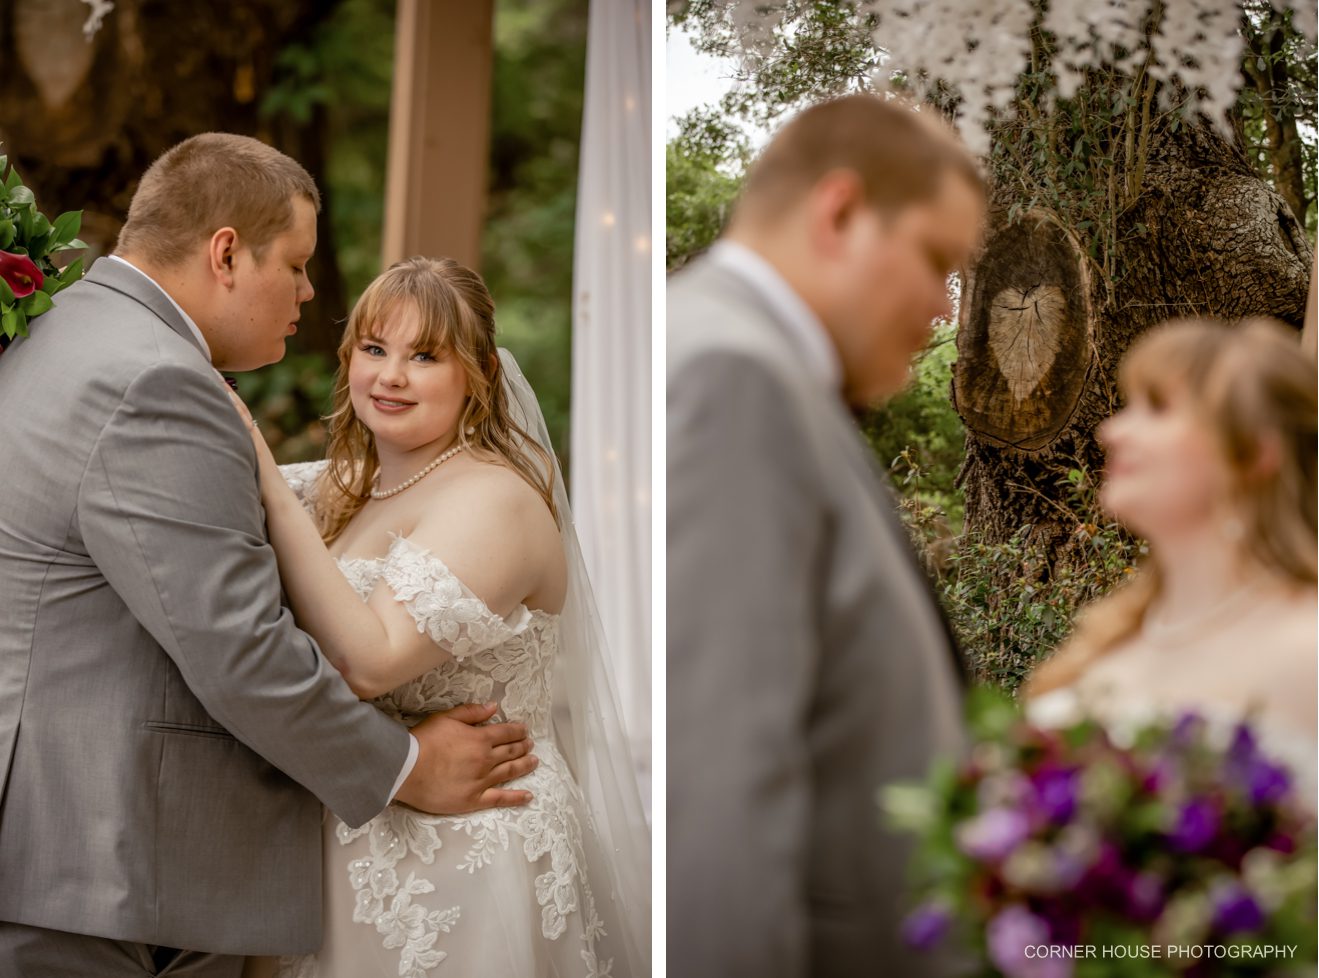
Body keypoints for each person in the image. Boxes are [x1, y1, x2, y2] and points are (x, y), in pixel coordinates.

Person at [0, 134, 537, 978]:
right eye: (294, 264)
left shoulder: (61, 328)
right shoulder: (157, 381)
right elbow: (238, 646)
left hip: (79, 846)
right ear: (225, 254)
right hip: (108, 865)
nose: (309, 291)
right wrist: (405, 767)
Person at [226, 256, 649, 978]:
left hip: (471, 858)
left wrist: (263, 471)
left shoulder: (495, 500)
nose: (390, 376)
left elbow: (370, 663)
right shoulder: (346, 488)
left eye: (424, 356)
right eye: (374, 348)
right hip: (355, 841)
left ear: (478, 373)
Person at [666, 94, 983, 978]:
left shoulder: (761, 371)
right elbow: (719, 794)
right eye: (936, 260)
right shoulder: (734, 377)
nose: (943, 309)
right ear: (839, 212)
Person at [1027, 318, 1318, 793]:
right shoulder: (1104, 646)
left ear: (1254, 453)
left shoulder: (1308, 648)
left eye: (1158, 409)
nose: (1110, 431)